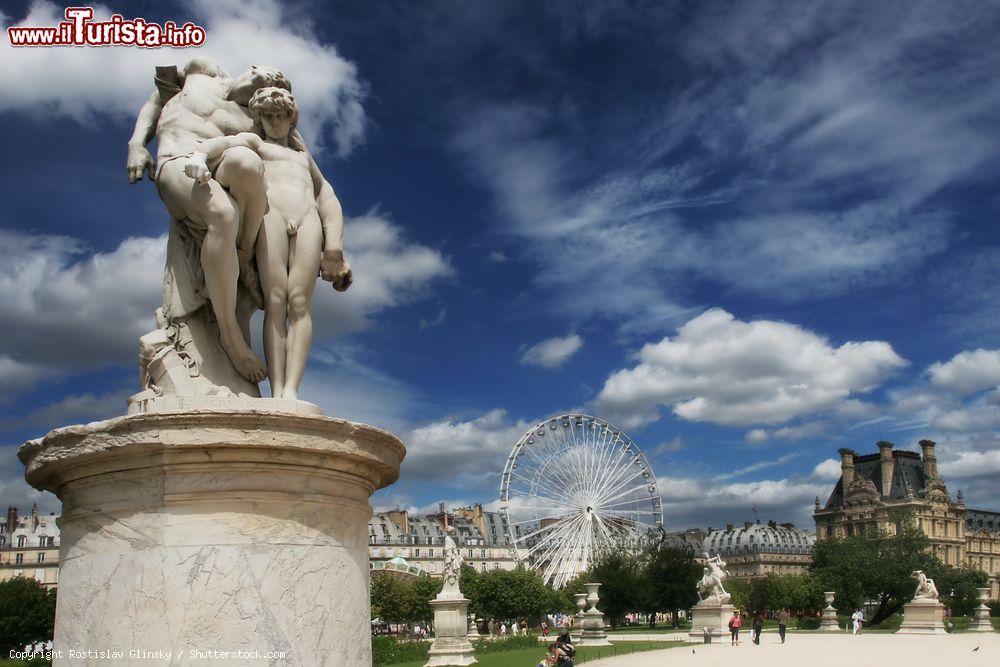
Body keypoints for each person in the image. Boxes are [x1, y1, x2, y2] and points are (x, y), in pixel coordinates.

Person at [127, 58, 352, 386]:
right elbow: (159, 96)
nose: (269, 91)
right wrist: (137, 143)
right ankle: (232, 338)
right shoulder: (203, 70)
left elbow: (322, 188)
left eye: (281, 107)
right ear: (254, 67)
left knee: (245, 167)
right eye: (268, 78)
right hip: (179, 163)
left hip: (248, 192)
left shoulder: (254, 120)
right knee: (226, 216)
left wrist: (335, 246)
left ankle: (243, 257)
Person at [184, 87, 351, 399]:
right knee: (275, 303)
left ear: (292, 119)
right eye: (269, 115)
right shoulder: (257, 143)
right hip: (271, 216)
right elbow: (226, 144)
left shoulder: (303, 156)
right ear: (259, 118)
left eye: (282, 115)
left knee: (299, 304)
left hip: (306, 218)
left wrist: (335, 247)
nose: (276, 121)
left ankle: (292, 390)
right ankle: (277, 392)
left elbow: (326, 194)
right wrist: (200, 155)